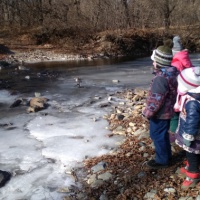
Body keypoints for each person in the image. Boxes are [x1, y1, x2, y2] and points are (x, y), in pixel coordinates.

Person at [142, 42, 178, 169]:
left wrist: (148, 113)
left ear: (159, 63)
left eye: (154, 61)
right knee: (163, 135)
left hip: (160, 114)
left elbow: (156, 100)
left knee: (157, 135)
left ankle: (162, 161)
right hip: (169, 111)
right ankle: (166, 156)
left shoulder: (160, 78)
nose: (153, 63)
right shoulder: (173, 73)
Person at [175, 67, 200, 189]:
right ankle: (191, 165)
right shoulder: (194, 97)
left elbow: (192, 121)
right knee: (193, 153)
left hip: (193, 136)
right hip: (193, 132)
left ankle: (193, 174)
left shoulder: (193, 102)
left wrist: (188, 136)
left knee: (192, 152)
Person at [169, 36, 194, 141]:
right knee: (184, 114)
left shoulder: (176, 63)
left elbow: (174, 79)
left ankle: (174, 134)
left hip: (178, 92)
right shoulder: (187, 61)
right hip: (188, 91)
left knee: (174, 113)